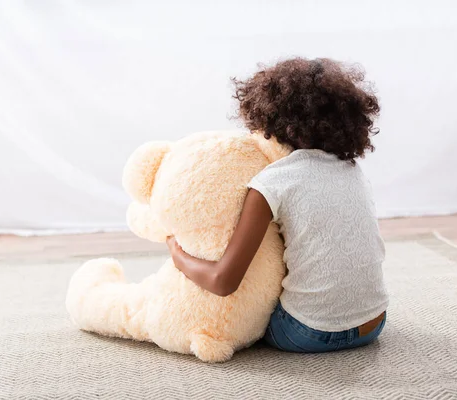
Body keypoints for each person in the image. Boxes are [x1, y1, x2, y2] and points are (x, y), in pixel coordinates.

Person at [166, 57, 388, 353]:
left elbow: (223, 282)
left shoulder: (272, 182)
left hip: (308, 332)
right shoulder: (351, 170)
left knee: (243, 314)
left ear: (266, 117)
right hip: (374, 323)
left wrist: (176, 252)